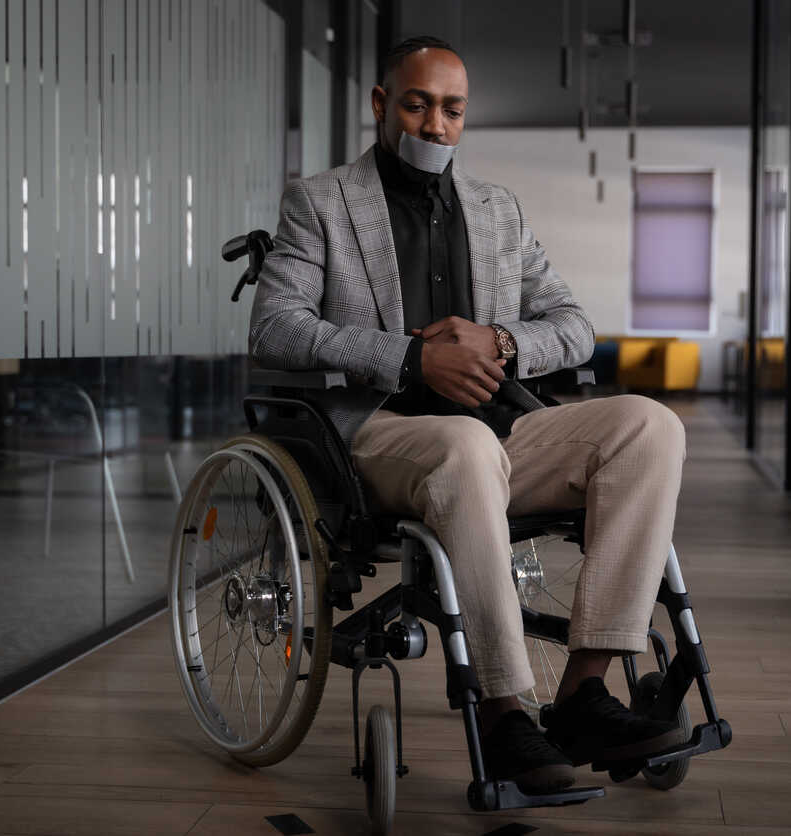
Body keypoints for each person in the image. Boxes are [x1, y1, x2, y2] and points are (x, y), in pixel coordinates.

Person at [249, 35, 687, 793]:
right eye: (417, 103)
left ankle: (585, 690)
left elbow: (575, 324)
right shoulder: (320, 204)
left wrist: (503, 341)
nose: (435, 124)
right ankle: (503, 707)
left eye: (452, 109)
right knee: (461, 445)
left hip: (500, 432)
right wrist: (410, 357)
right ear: (383, 106)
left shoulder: (496, 211)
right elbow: (274, 327)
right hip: (382, 437)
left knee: (651, 427)